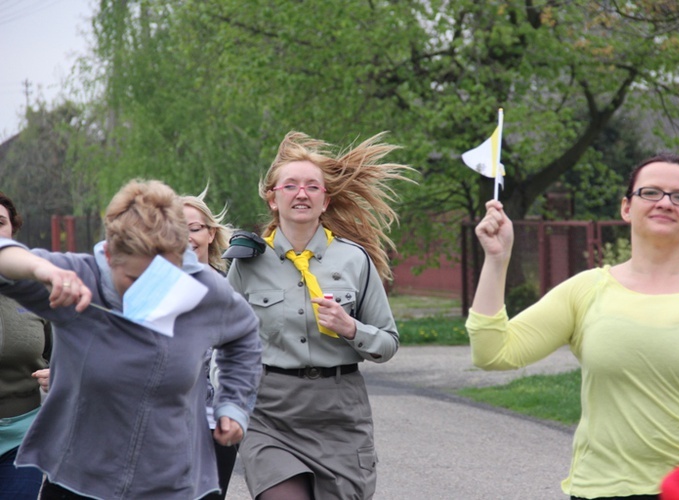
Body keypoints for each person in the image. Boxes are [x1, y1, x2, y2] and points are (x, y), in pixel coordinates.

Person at [466, 151, 679, 499]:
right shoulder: (586, 290)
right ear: (627, 207)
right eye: (651, 192)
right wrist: (497, 260)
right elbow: (492, 353)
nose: (665, 202)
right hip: (603, 490)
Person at [0, 179, 263, 499]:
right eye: (135, 279)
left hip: (173, 483)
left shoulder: (202, 289)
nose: (149, 291)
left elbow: (245, 335)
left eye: (163, 276)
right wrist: (41, 269)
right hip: (80, 481)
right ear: (109, 256)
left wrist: (234, 404)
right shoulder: (79, 279)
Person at [227, 131, 414, 500]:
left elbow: (388, 343)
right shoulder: (247, 263)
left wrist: (350, 328)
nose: (301, 193)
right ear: (273, 198)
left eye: (312, 187)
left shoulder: (354, 259)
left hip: (340, 412)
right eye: (291, 186)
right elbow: (224, 340)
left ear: (325, 200)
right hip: (271, 412)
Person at [182, 191, 238, 500]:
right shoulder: (147, 292)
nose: (187, 238)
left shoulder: (232, 292)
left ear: (210, 233)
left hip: (217, 426)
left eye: (194, 228)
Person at [0, 192, 50, 499]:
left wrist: (57, 372)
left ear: (12, 231)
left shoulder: (36, 288)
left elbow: (64, 354)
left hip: (23, 438)